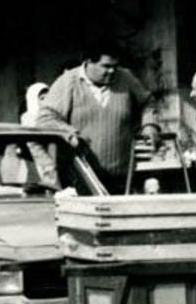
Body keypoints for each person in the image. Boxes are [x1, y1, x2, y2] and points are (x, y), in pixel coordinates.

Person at [38, 40, 151, 192]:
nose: (112, 71)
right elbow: (46, 117)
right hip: (80, 179)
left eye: (115, 67)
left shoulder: (125, 78)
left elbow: (148, 104)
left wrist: (150, 125)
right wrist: (68, 133)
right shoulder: (68, 82)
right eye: (106, 66)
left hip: (122, 179)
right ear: (89, 62)